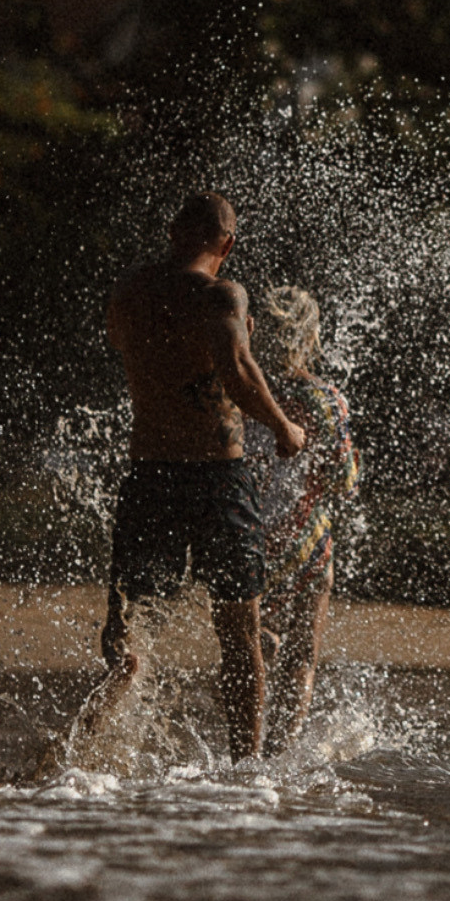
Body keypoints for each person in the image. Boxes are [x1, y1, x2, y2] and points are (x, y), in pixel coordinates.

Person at [100, 191, 307, 761]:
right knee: (239, 633)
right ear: (228, 245)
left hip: (149, 474)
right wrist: (285, 428)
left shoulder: (130, 290)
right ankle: (246, 768)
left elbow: (125, 342)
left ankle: (91, 759)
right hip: (218, 481)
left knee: (129, 630)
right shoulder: (222, 294)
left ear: (172, 233)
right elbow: (237, 369)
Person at [249, 286, 358, 756]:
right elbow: (343, 481)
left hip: (248, 533)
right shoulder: (325, 398)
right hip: (305, 541)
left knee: (249, 640)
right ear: (311, 337)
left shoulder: (239, 388)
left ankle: (245, 751)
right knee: (302, 656)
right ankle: (279, 759)